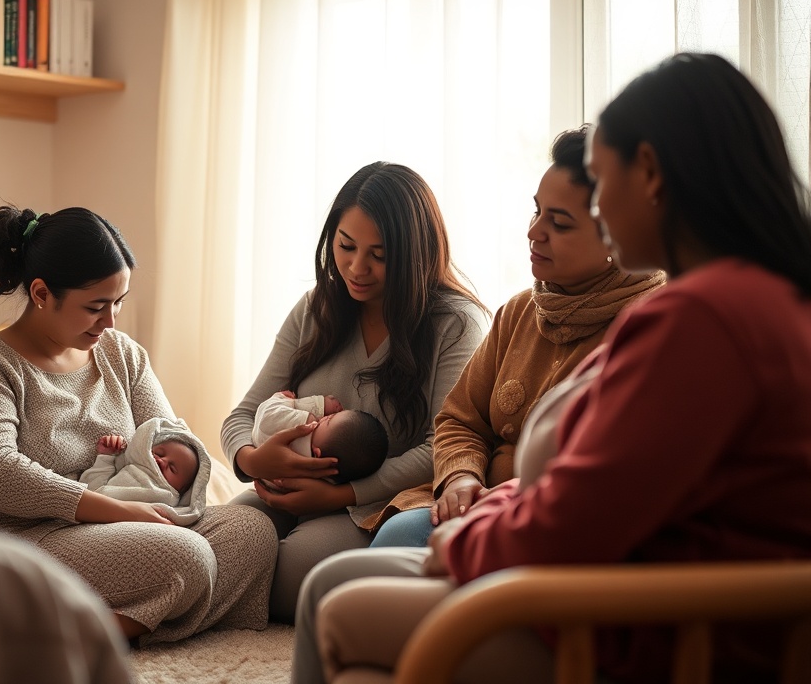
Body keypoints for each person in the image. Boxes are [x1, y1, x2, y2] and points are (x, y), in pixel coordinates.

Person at [292, 52, 811, 684]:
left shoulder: (701, 320)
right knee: (342, 587)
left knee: (336, 602)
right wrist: (483, 502)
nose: (542, 228)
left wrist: (462, 541)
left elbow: (582, 518)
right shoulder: (755, 298)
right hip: (631, 584)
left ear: (648, 174)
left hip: (658, 620)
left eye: (599, 178)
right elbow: (584, 479)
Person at [0, 205, 278, 646]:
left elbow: (170, 434)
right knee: (187, 557)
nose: (111, 321)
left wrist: (169, 484)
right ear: (41, 294)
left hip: (116, 525)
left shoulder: (121, 354)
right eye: (96, 307)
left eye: (118, 302)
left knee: (251, 531)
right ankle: (94, 628)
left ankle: (106, 625)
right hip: (16, 537)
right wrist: (117, 510)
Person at [366, 126, 664, 549]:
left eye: (558, 223)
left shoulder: (652, 326)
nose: (534, 231)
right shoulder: (520, 310)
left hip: (555, 523)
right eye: (536, 211)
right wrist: (461, 476)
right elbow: (458, 418)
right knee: (380, 549)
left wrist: (506, 501)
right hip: (471, 503)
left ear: (616, 234)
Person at [221, 161, 491, 623]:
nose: (356, 267)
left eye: (379, 255)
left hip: (373, 504)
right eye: (346, 246)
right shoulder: (317, 308)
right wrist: (250, 460)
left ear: (415, 254)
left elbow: (442, 445)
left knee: (294, 576)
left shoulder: (456, 324)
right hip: (280, 487)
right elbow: (242, 415)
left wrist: (341, 493)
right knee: (225, 539)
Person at [79, 416, 212, 526]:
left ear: (181, 490)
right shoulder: (131, 466)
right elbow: (90, 488)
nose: (162, 461)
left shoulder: (169, 498)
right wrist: (106, 457)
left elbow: (174, 519)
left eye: (172, 468)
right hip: (91, 510)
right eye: (159, 453)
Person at [253, 390, 389, 486]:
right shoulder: (328, 480)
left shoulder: (301, 425)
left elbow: (265, 413)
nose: (325, 416)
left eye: (329, 420)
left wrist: (281, 398)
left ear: (318, 455)